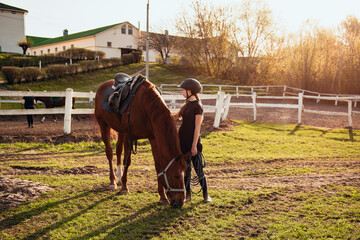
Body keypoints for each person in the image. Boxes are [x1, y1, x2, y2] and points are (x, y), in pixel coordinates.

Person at [173, 78, 212, 203]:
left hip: (193, 144)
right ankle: (187, 195)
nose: (182, 92)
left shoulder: (198, 107)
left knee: (199, 169)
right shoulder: (186, 105)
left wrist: (194, 146)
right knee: (186, 170)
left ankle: (206, 195)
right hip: (182, 142)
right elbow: (175, 116)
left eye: (183, 90)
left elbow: (197, 128)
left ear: (189, 91)